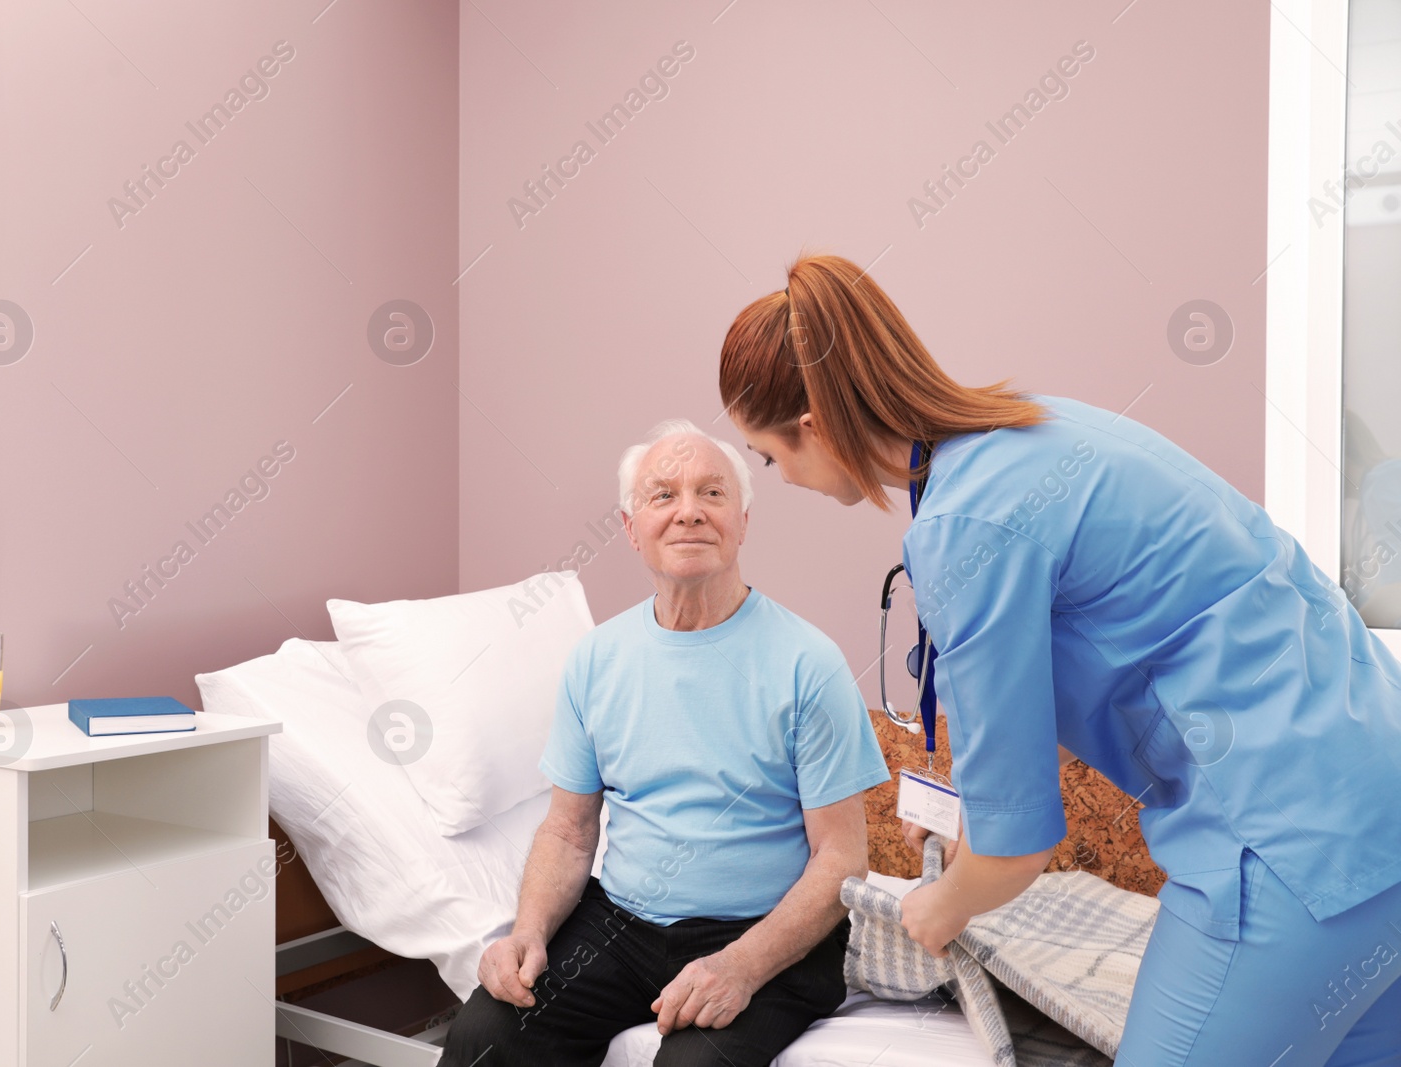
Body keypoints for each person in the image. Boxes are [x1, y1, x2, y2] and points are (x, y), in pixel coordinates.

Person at [716, 252, 1401, 1066]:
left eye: (768, 456)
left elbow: (1015, 852)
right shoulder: (1032, 426)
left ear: (814, 427)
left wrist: (939, 905)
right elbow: (1126, 642)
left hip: (1286, 847)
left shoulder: (962, 526)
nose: (782, 478)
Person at [438, 419, 891, 1067]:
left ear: (742, 520)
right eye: (663, 495)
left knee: (692, 1065)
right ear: (630, 526)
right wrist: (528, 932)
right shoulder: (596, 659)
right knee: (483, 1035)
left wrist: (739, 966)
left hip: (758, 930)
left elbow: (841, 858)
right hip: (620, 928)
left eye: (711, 493)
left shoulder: (808, 662)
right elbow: (568, 833)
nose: (689, 512)